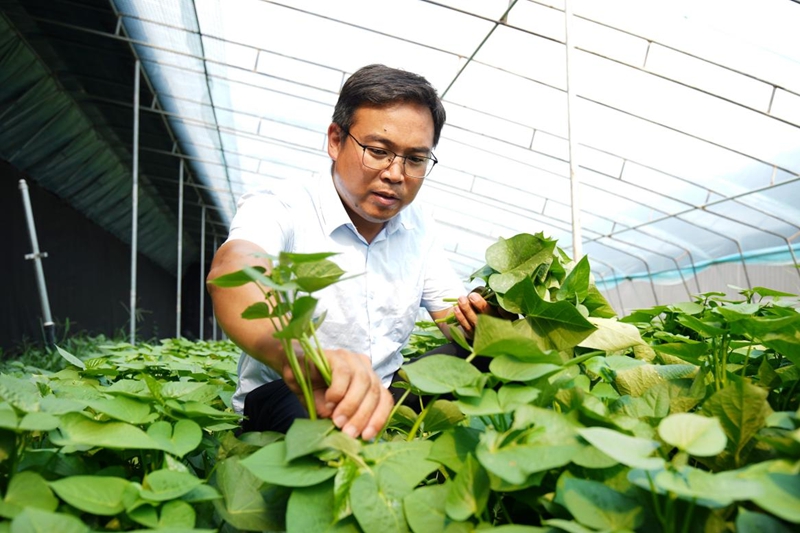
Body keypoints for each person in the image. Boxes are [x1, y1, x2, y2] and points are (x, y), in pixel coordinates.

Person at [207, 64, 494, 441]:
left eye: (415, 159)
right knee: (320, 430)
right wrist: (301, 359)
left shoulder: (418, 226)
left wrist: (484, 320)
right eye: (378, 151)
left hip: (385, 394)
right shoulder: (282, 205)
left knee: (486, 358)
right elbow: (233, 271)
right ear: (335, 140)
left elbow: (453, 319)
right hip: (293, 392)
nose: (396, 174)